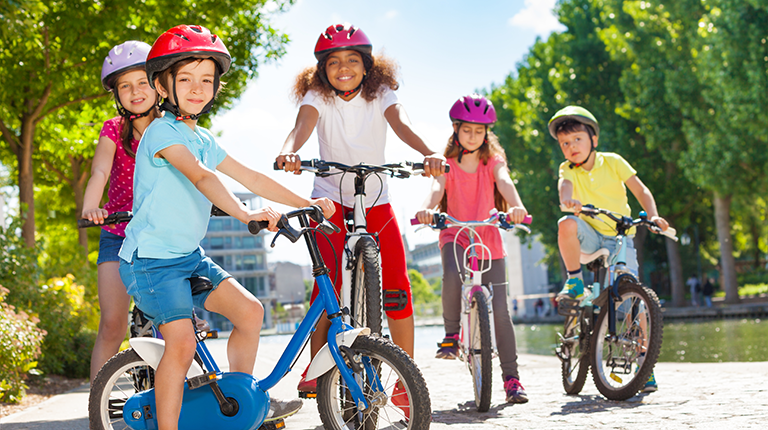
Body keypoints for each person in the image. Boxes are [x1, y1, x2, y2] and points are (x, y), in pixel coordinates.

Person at [117, 25, 335, 430]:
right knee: (180, 345)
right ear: (163, 86)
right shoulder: (161, 132)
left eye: (206, 80)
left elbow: (252, 177)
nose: (197, 88)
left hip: (187, 257)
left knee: (251, 312)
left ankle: (241, 405)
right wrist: (246, 214)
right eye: (185, 79)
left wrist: (306, 204)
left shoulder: (203, 138)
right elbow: (202, 178)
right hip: (150, 262)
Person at [275, 23, 445, 418]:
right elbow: (301, 127)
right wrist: (288, 152)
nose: (343, 68)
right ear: (323, 70)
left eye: (353, 60)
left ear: (368, 66)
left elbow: (401, 124)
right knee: (327, 289)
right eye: (333, 62)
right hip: (331, 199)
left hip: (376, 199)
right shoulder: (318, 95)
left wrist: (430, 152)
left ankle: (404, 383)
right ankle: (320, 370)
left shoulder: (381, 93)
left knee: (399, 289)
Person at [414, 94, 529, 404]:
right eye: (467, 130)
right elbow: (436, 189)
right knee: (452, 273)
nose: (474, 136)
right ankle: (451, 336)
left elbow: (504, 181)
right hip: (455, 233)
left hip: (488, 236)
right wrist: (425, 210)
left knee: (502, 312)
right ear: (455, 130)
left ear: (487, 133)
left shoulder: (493, 161)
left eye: (480, 131)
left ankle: (512, 379)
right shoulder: (447, 164)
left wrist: (517, 206)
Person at [549, 105, 670, 394]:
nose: (571, 147)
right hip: (589, 236)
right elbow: (564, 190)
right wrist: (569, 203)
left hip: (620, 236)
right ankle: (575, 280)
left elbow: (640, 190)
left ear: (593, 139)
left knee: (634, 299)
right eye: (565, 143)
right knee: (565, 223)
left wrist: (652, 215)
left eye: (577, 139)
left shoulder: (613, 161)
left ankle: (645, 364)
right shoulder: (567, 169)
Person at [82, 41, 162, 382]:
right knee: (112, 324)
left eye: (142, 82)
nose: (135, 91)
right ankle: (96, 403)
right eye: (124, 86)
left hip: (163, 235)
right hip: (118, 233)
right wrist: (90, 204)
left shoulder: (171, 127)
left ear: (158, 84)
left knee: (179, 322)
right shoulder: (113, 128)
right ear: (116, 94)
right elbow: (100, 170)